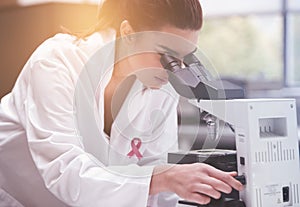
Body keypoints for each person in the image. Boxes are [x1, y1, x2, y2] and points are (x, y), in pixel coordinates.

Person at [0, 0, 243, 206]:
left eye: (183, 57)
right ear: (128, 33)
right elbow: (65, 170)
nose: (173, 70)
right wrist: (161, 178)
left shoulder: (161, 86)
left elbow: (156, 185)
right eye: (165, 54)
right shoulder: (57, 61)